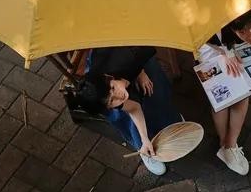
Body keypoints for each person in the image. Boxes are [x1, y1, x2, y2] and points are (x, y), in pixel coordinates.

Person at [198, 4, 251, 175]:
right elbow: (203, 36)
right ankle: (225, 143)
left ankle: (230, 144)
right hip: (213, 47)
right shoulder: (218, 20)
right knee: (222, 95)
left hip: (236, 51)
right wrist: (225, 53)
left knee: (242, 93)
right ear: (233, 28)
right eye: (242, 32)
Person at [78, 46, 182, 175]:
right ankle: (143, 148)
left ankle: (170, 121)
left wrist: (139, 71)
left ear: (109, 77)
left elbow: (136, 48)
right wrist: (144, 139)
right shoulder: (104, 96)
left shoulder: (131, 55)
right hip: (103, 77)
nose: (120, 96)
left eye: (113, 88)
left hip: (128, 53)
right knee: (123, 115)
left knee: (155, 91)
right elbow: (134, 108)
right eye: (111, 101)